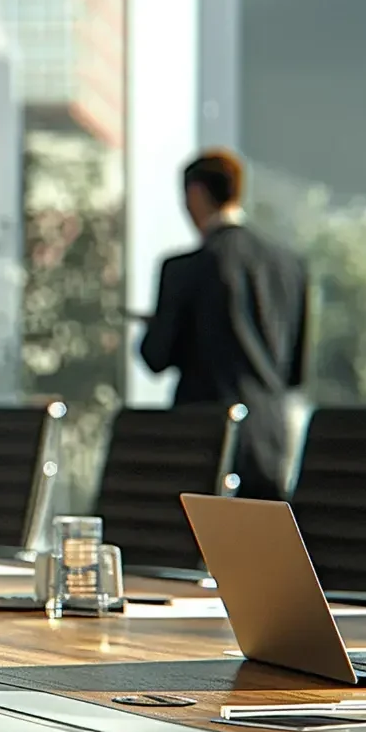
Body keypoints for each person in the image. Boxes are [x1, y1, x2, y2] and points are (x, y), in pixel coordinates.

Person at [140, 150, 310, 501]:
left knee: (198, 548)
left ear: (195, 194)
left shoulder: (184, 269)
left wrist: (156, 325)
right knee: (261, 548)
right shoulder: (289, 266)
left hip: (203, 435)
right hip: (268, 437)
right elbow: (294, 371)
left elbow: (156, 356)